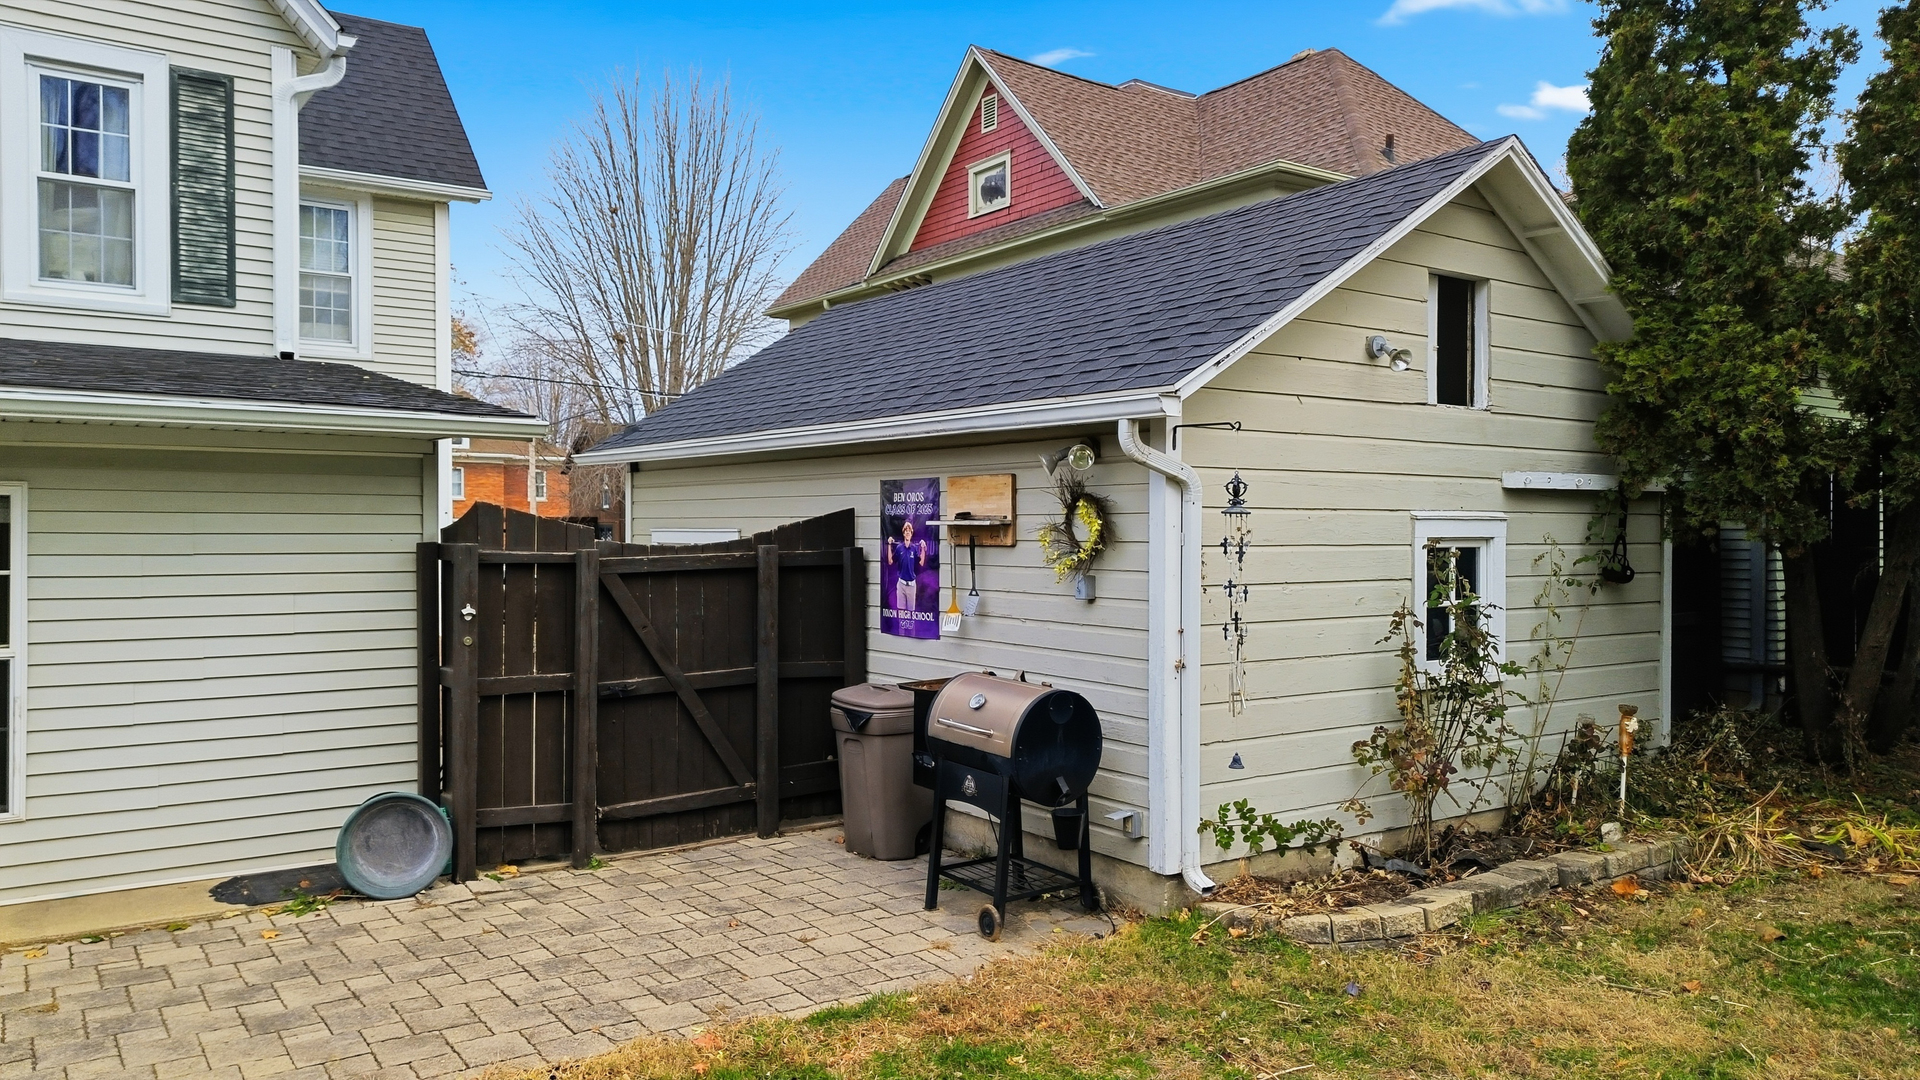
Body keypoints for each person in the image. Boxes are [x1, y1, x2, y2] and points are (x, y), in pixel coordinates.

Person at [887, 518, 929, 615]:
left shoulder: (914, 548)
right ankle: (901, 631)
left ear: (911, 533)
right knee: (901, 614)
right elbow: (890, 561)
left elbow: (921, 562)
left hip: (911, 585)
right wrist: (889, 545)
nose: (907, 532)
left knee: (911, 615)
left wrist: (923, 548)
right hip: (901, 584)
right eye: (906, 531)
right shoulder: (899, 548)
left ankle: (911, 631)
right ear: (903, 533)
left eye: (909, 531)